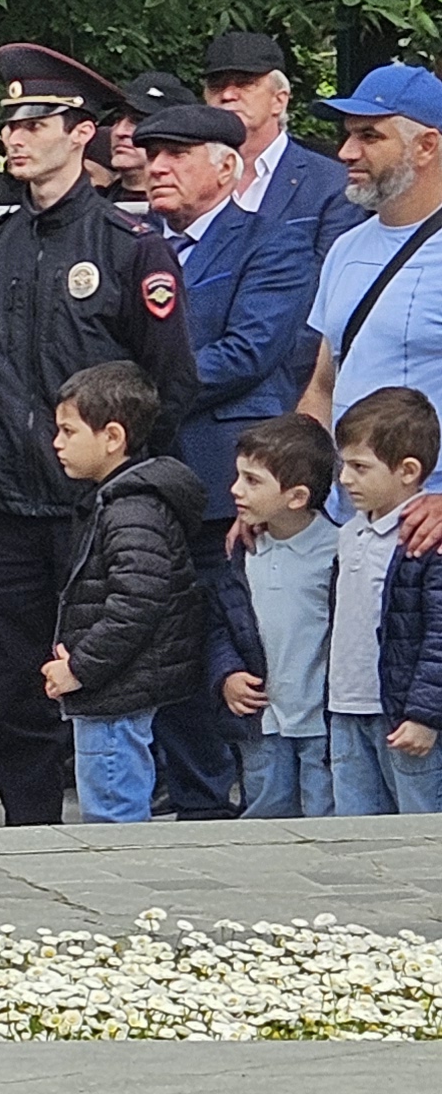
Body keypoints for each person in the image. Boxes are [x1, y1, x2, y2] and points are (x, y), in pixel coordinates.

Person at [0, 45, 198, 825]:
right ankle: (28, 829)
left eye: (37, 122)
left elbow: (166, 380)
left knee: (105, 668)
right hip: (7, 497)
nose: (17, 139)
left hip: (96, 509)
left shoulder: (127, 245)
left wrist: (128, 483)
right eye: (10, 124)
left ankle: (116, 823)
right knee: (15, 679)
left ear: (81, 134)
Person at [136, 102, 324, 817]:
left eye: (179, 154)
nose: (159, 166)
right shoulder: (132, 242)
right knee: (169, 639)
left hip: (226, 479)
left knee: (233, 638)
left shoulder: (269, 244)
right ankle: (196, 799)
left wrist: (137, 397)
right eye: (152, 153)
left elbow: (251, 351)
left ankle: (254, 796)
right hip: (151, 480)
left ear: (227, 166)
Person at [40, 362, 204, 824]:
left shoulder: (132, 509)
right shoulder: (118, 502)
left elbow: (135, 604)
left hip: (115, 688)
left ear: (112, 437)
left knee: (112, 807)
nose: (57, 443)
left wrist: (81, 668)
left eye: (68, 431)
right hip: (113, 684)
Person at [297, 65, 442, 442]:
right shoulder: (346, 247)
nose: (346, 152)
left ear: (426, 146)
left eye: (369, 136)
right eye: (347, 135)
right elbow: (323, 386)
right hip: (344, 495)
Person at [212, 413, 339, 817]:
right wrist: (227, 673)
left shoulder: (337, 551)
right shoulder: (243, 548)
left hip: (322, 723)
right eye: (238, 476)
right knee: (263, 818)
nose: (235, 490)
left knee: (325, 817)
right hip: (263, 721)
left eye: (252, 480)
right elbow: (221, 623)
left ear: (297, 496)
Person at [332, 388, 442, 815]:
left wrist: (426, 715)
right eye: (344, 464)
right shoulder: (348, 534)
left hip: (404, 716)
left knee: (420, 829)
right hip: (347, 708)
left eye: (360, 467)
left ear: (408, 470)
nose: (344, 479)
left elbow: (437, 635)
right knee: (355, 831)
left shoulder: (424, 542)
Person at [200, 31, 352, 263]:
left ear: (279, 100)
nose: (228, 95)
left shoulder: (330, 184)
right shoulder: (189, 175)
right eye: (216, 86)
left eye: (245, 83)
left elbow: (331, 278)